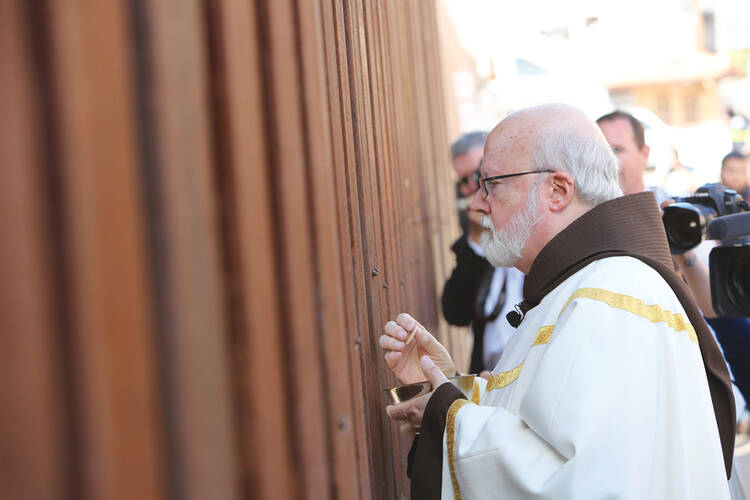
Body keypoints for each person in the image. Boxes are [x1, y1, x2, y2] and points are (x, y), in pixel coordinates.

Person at [380, 104, 735, 499]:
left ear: (558, 190)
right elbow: (547, 423)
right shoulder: (587, 286)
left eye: (492, 184)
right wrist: (450, 388)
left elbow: (581, 481)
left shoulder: (609, 297)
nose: (478, 203)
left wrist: (445, 413)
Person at [443, 132, 525, 375]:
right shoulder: (470, 244)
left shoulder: (532, 224)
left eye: (478, 175)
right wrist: (477, 240)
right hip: (489, 376)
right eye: (463, 182)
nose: (471, 188)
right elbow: (455, 312)